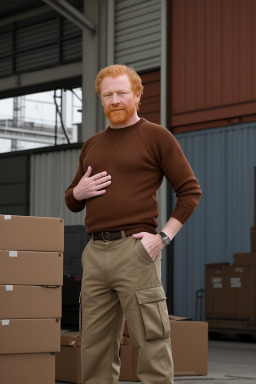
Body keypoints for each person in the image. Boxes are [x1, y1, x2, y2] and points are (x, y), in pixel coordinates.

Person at [65, 64, 202, 384]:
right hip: (95, 253)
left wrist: (163, 237)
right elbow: (73, 202)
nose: (115, 100)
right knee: (95, 348)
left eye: (122, 93)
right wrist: (79, 191)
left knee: (151, 341)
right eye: (107, 94)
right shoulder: (92, 145)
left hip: (136, 251)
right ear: (100, 99)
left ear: (137, 96)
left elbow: (190, 192)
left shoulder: (156, 136)